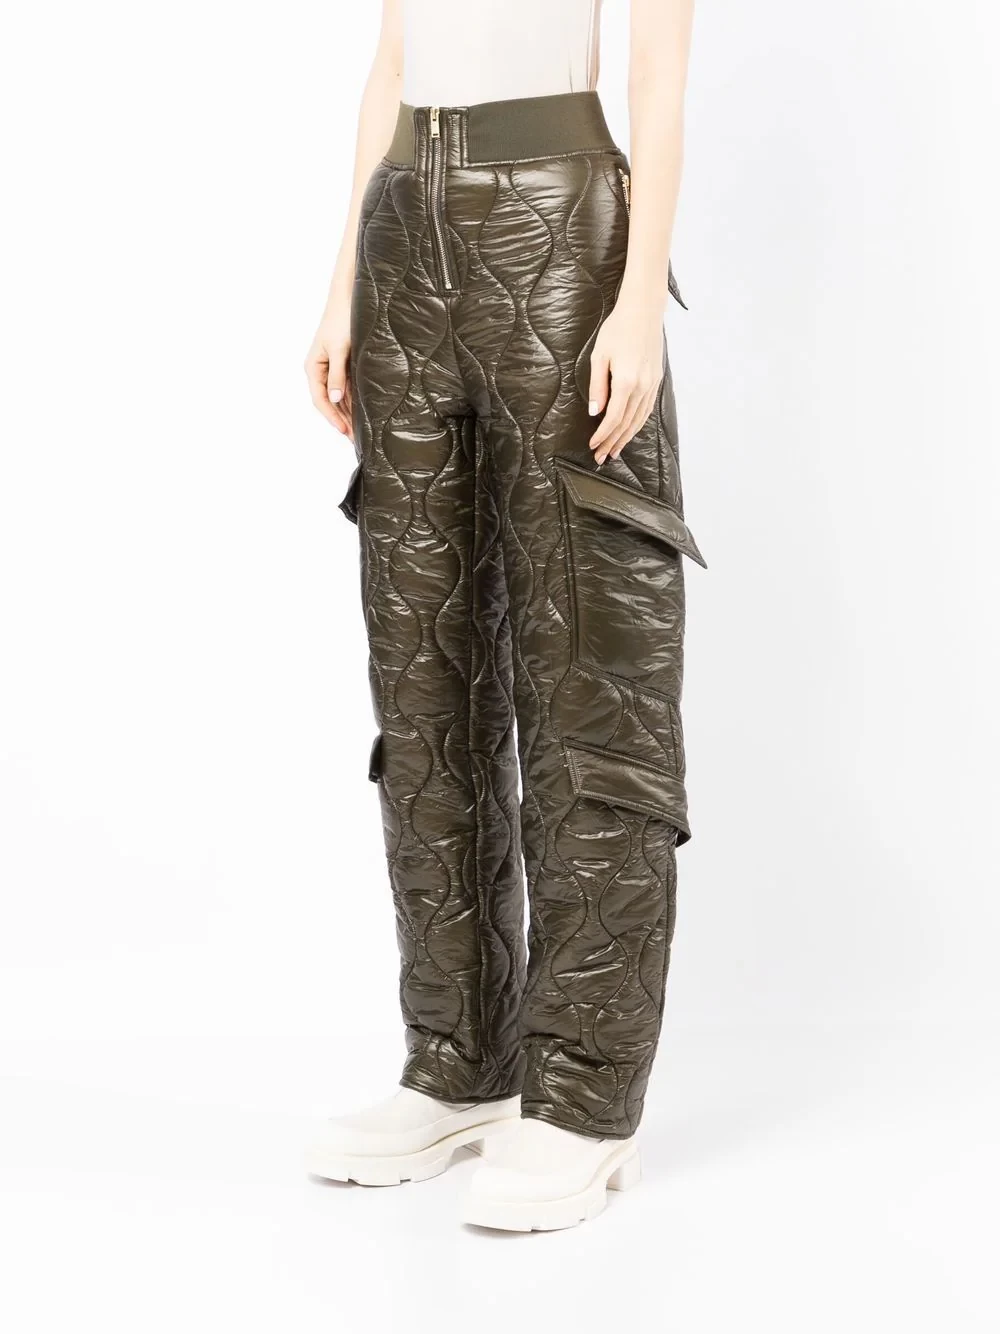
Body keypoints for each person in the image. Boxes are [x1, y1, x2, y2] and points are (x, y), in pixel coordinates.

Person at [303, 0, 702, 1232]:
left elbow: (658, 76)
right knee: (423, 672)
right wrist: (342, 289)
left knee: (588, 667)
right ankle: (457, 1061)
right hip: (401, 238)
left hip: (560, 228)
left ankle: (584, 1094)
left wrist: (636, 304)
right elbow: (392, 63)